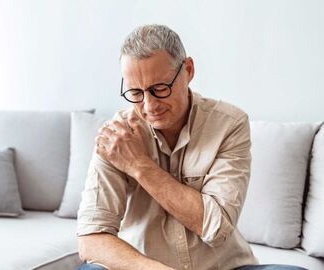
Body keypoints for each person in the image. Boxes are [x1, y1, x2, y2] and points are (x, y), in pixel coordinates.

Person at [76, 24, 306, 270]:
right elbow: (91, 241)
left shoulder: (230, 124)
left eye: (159, 89)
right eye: (136, 92)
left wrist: (138, 164)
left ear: (188, 70)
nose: (149, 105)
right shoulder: (117, 138)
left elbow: (217, 228)